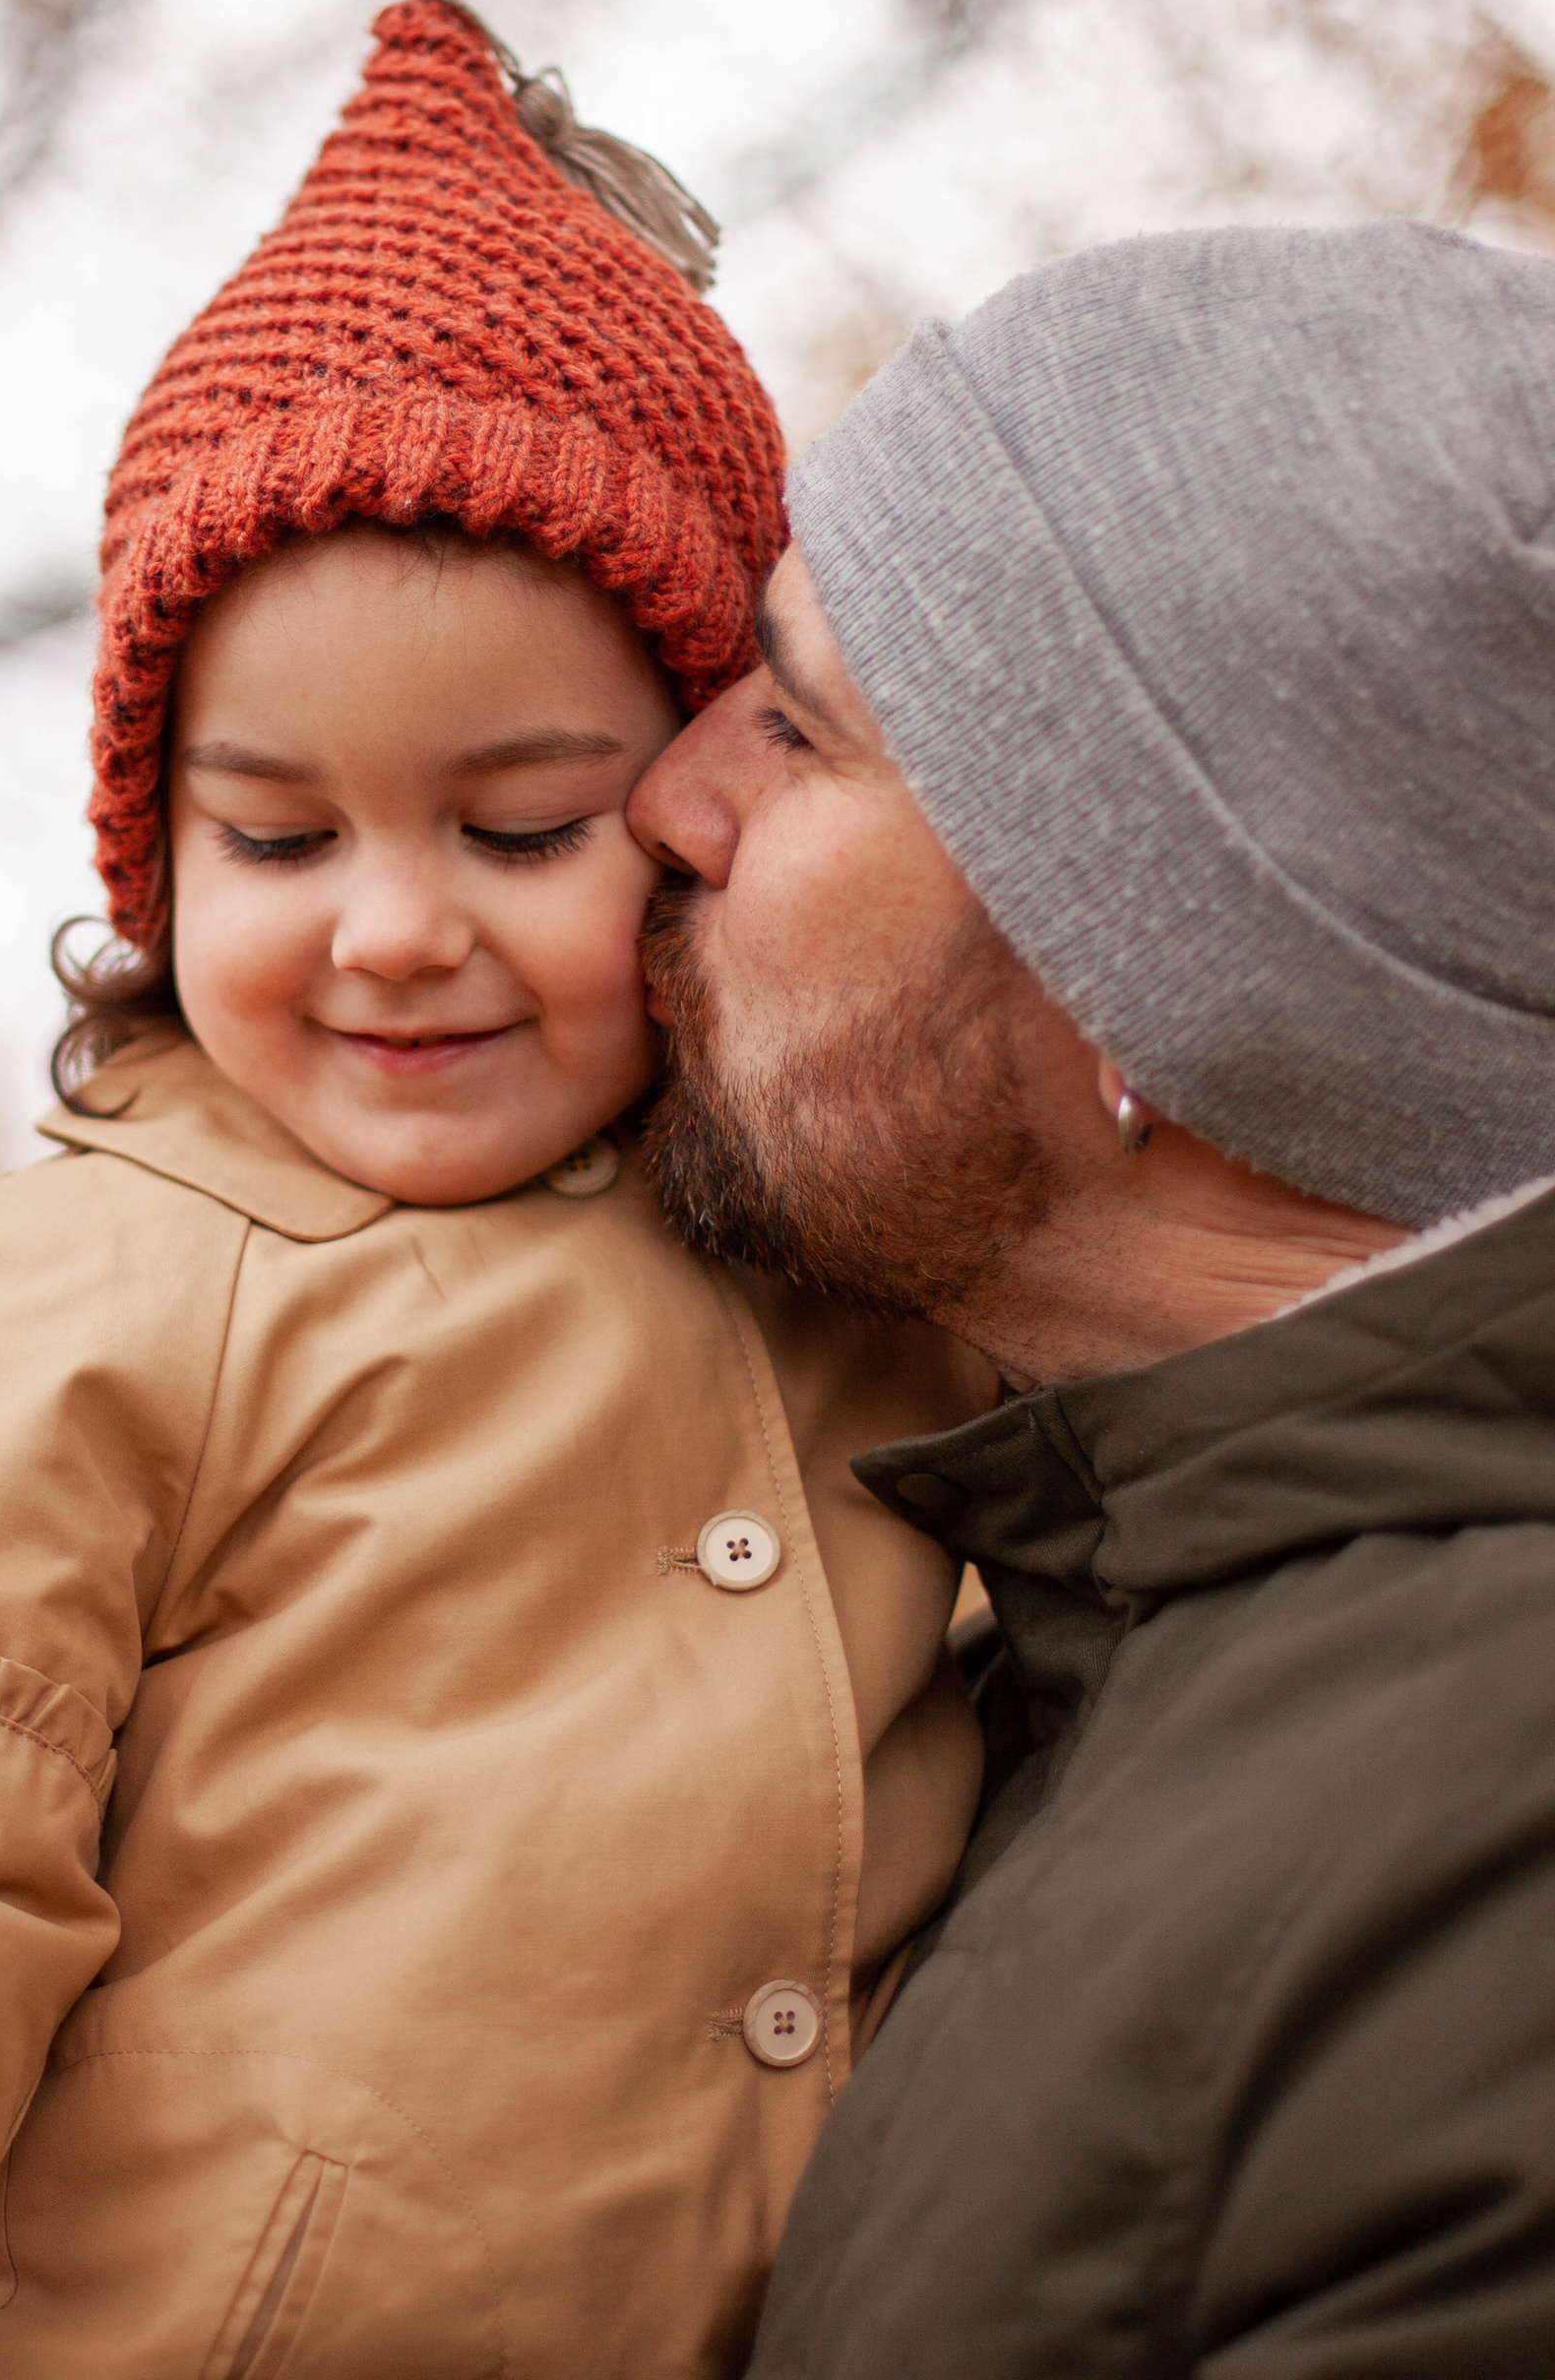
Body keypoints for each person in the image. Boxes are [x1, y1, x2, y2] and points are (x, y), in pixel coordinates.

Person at [0, 0, 989, 2380]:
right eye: (274, 836)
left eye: (517, 827)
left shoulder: (857, 1253)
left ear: (700, 804)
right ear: (155, 850)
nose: (386, 927)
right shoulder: (108, 1274)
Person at [627, 218, 1555, 2377]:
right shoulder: (1080, 1655)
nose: (668, 796)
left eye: (795, 727)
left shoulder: (1486, 1891)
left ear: (1154, 988)